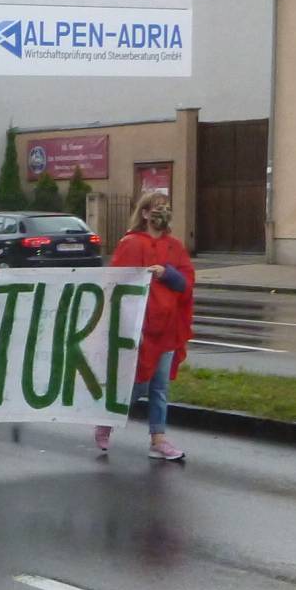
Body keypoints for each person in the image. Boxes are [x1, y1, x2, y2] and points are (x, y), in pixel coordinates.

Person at [102, 191, 195, 462]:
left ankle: (158, 439)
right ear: (144, 213)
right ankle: (107, 420)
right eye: (156, 208)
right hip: (139, 328)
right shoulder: (131, 244)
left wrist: (168, 273)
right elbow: (116, 283)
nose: (161, 212)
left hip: (166, 328)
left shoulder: (174, 246)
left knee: (159, 387)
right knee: (138, 385)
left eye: (166, 207)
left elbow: (186, 283)